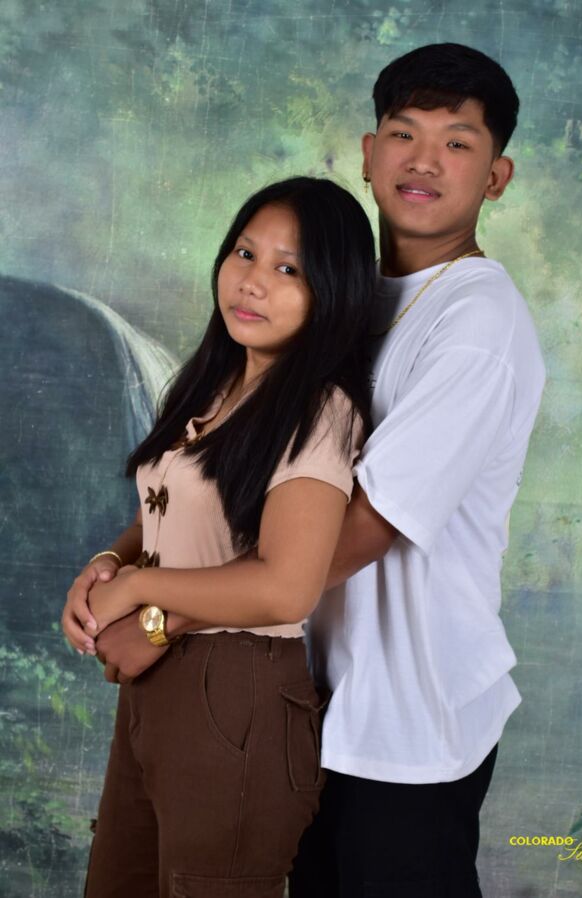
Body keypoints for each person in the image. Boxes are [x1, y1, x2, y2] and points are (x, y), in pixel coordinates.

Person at [61, 176, 376, 898]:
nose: (252, 281)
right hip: (153, 687)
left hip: (236, 694)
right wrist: (108, 563)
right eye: (244, 252)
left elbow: (286, 587)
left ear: (333, 292)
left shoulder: (320, 411)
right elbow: (165, 514)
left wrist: (139, 593)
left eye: (288, 269)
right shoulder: (211, 383)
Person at [285, 43, 546, 898]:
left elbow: (366, 528)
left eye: (457, 142)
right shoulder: (341, 293)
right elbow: (239, 451)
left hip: (411, 722)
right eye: (404, 133)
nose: (424, 160)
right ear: (369, 154)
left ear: (496, 177)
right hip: (319, 702)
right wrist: (129, 557)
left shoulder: (478, 321)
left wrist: (173, 609)